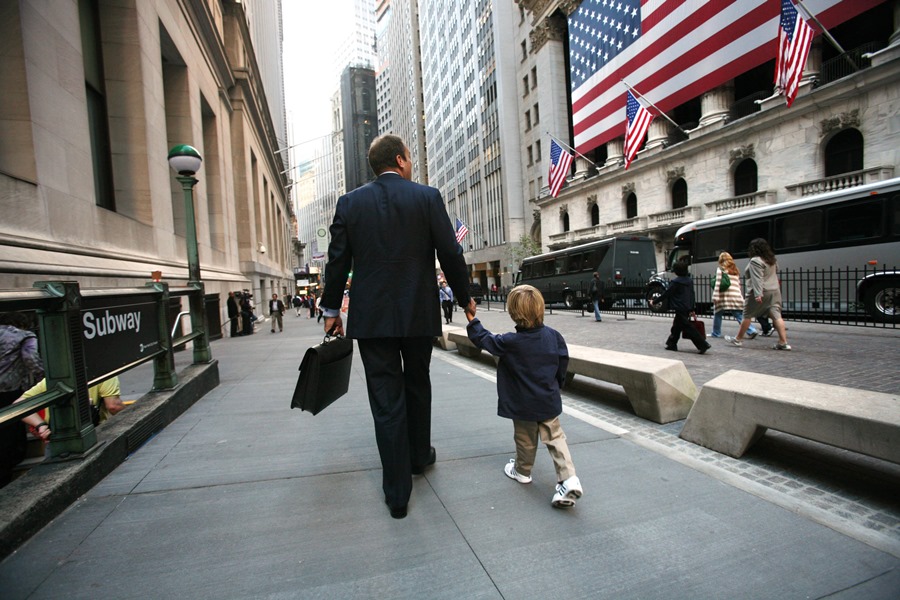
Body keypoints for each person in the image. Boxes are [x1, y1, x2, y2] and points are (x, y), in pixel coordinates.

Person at [320, 134, 474, 519]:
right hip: (418, 315)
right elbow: (450, 253)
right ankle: (419, 457)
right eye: (409, 159)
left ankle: (397, 494)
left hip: (371, 320)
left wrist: (330, 309)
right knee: (418, 384)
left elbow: (337, 261)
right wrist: (465, 297)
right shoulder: (427, 197)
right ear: (402, 160)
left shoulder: (350, 204)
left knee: (386, 401)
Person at [465, 285, 584, 508]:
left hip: (523, 403)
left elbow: (483, 338)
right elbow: (562, 363)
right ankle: (568, 478)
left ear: (513, 313)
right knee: (556, 438)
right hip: (547, 398)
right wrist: (556, 385)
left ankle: (522, 471)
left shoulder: (510, 342)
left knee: (525, 440)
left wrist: (472, 317)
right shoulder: (554, 336)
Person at [0, 312, 44, 487]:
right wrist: (44, 380)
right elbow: (31, 359)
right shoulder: (23, 336)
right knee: (8, 437)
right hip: (8, 392)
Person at [726, 238, 791, 350]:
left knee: (747, 314)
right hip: (774, 291)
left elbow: (757, 278)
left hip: (761, 291)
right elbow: (776, 272)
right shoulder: (771, 259)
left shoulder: (755, 261)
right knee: (776, 315)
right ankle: (783, 342)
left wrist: (757, 294)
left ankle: (738, 339)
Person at [19, 375, 123, 439]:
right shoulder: (103, 373)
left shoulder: (52, 380)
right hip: (95, 434)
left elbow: (19, 405)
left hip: (57, 437)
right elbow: (114, 406)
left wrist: (40, 425)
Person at [652, 260, 711, 354]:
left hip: (679, 307)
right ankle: (672, 343)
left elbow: (666, 294)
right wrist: (692, 307)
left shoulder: (675, 282)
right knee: (677, 326)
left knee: (687, 327)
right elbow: (692, 294)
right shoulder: (689, 281)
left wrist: (655, 301)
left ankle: (703, 344)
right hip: (687, 306)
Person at [710, 252, 758, 339]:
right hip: (736, 295)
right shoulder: (735, 270)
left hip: (724, 296)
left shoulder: (720, 269)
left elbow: (717, 284)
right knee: (738, 314)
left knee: (717, 313)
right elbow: (738, 284)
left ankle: (716, 333)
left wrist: (715, 295)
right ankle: (751, 330)